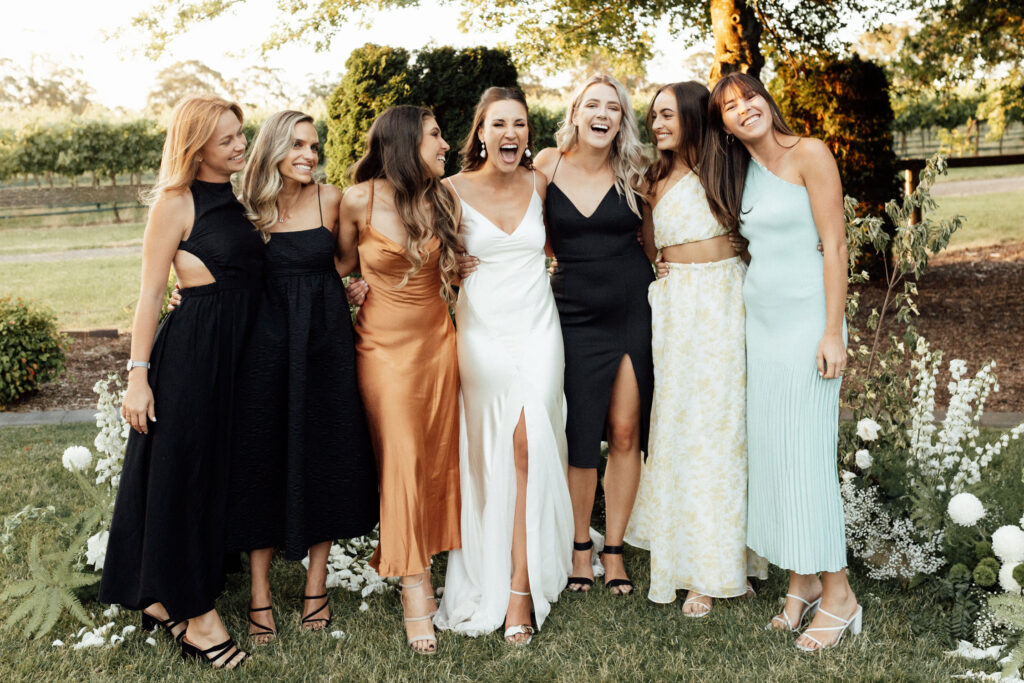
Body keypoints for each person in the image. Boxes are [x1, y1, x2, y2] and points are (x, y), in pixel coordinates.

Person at [99, 95, 264, 669]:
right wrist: (137, 377)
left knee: (212, 478)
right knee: (185, 480)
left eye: (241, 134)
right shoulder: (175, 202)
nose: (240, 145)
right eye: (227, 139)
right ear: (196, 148)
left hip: (235, 359)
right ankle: (198, 619)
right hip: (192, 357)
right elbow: (150, 294)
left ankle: (162, 596)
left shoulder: (238, 199)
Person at [703, 72, 859, 651]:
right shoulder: (737, 174)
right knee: (778, 458)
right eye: (730, 107)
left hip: (809, 327)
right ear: (723, 126)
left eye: (750, 96)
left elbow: (834, 244)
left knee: (808, 459)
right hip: (762, 331)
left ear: (767, 101)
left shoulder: (810, 154)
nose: (744, 108)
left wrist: (832, 332)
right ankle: (803, 583)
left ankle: (839, 595)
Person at [224, 110, 379, 642]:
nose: (309, 155)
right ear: (273, 149)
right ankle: (259, 595)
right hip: (262, 349)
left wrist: (346, 287)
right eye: (297, 145)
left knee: (325, 455)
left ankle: (317, 588)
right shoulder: (246, 207)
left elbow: (343, 261)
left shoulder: (331, 199)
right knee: (261, 461)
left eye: (314, 146)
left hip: (325, 343)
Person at [433, 87, 573, 646]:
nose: (510, 133)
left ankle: (521, 587)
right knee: (495, 446)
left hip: (539, 328)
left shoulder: (541, 182)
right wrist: (451, 267)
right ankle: (494, 563)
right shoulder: (450, 190)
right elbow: (430, 258)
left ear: (527, 134)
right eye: (499, 124)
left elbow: (568, 241)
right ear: (482, 133)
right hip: (483, 331)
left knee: (530, 444)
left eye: (519, 123)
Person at [624, 82, 767, 616]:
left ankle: (730, 560)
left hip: (727, 300)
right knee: (683, 428)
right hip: (678, 307)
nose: (657, 124)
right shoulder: (650, 178)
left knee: (725, 430)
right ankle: (693, 571)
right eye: (653, 116)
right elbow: (648, 243)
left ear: (691, 116)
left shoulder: (728, 167)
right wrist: (663, 266)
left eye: (668, 114)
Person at [338, 105, 462, 655]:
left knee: (436, 458)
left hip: (439, 345)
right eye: (435, 135)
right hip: (382, 350)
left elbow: (458, 261)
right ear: (406, 141)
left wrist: (465, 267)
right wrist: (347, 290)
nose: (444, 144)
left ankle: (434, 561)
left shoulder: (442, 197)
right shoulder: (357, 200)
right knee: (402, 459)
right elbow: (338, 264)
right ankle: (415, 590)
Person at [533, 74, 654, 595]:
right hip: (571, 312)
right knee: (580, 434)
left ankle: (615, 549)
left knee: (625, 432)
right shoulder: (547, 164)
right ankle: (580, 546)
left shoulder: (636, 170)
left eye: (614, 107)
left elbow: (655, 240)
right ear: (576, 113)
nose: (602, 114)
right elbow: (523, 228)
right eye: (593, 105)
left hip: (631, 309)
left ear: (622, 120)